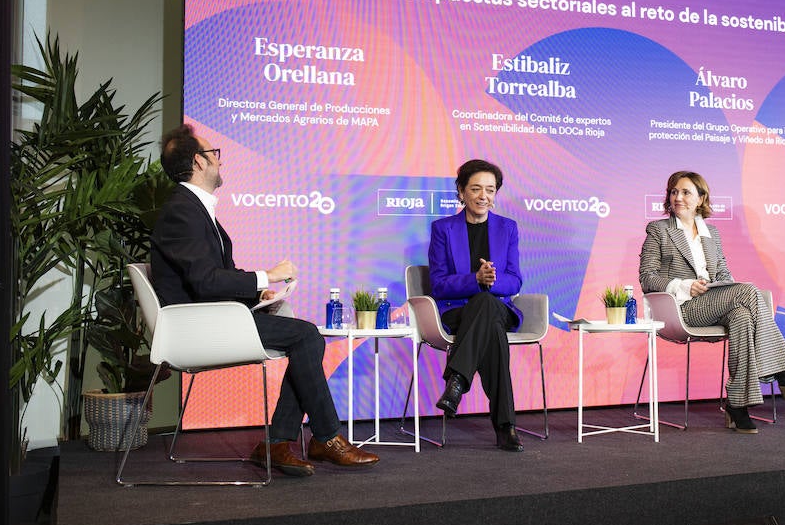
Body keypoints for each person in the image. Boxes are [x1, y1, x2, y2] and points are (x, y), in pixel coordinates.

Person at [150, 124, 379, 476]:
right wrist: (266, 275)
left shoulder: (193, 208)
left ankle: (279, 443)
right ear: (198, 161)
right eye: (215, 155)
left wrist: (259, 294)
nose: (219, 162)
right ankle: (324, 437)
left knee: (304, 337)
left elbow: (212, 274)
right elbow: (205, 281)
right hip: (197, 329)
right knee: (305, 336)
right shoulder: (182, 211)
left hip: (213, 317)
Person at [639, 170, 785, 433]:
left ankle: (738, 405)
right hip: (682, 308)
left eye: (685, 192)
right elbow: (647, 276)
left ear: (701, 197)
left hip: (713, 302)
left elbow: (724, 273)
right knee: (748, 291)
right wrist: (683, 285)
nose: (677, 197)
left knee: (741, 315)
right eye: (674, 191)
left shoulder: (711, 233)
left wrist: (723, 286)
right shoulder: (659, 230)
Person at [428, 159, 526, 452]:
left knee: (486, 302)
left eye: (490, 190)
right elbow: (439, 283)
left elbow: (515, 280)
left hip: (498, 306)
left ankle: (457, 379)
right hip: (458, 311)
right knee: (492, 332)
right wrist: (475, 279)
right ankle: (506, 426)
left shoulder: (507, 228)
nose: (484, 196)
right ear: (461, 192)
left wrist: (490, 282)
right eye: (476, 189)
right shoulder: (443, 229)